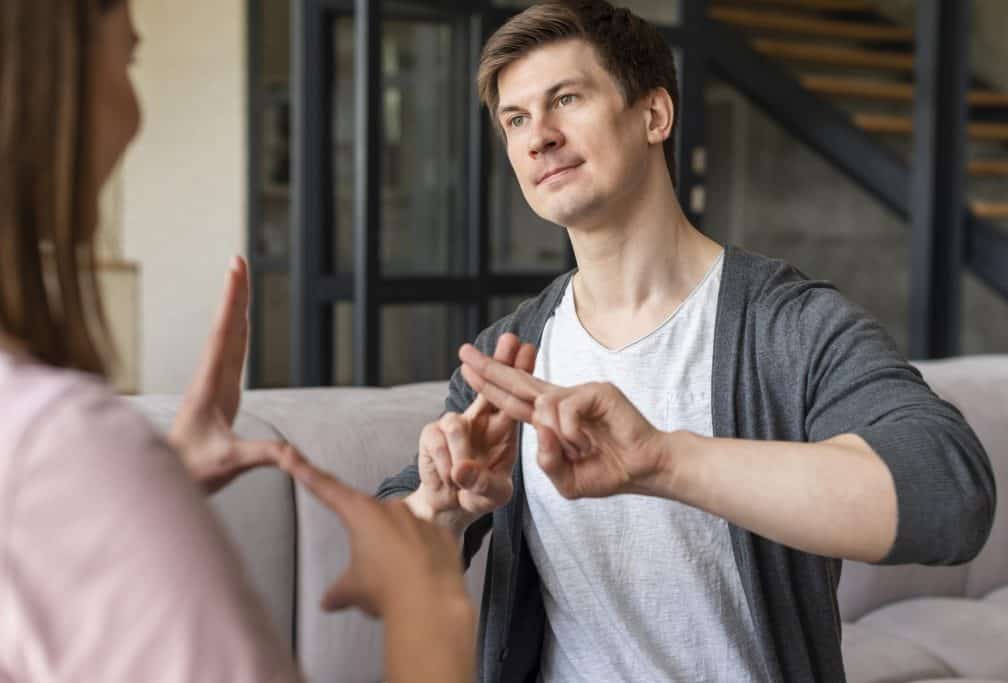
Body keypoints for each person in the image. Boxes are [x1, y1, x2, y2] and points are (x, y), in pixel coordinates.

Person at [378, 1, 997, 681]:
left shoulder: (786, 326)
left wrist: (665, 462)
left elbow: (949, 493)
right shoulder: (511, 352)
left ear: (654, 116)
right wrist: (439, 508)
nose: (538, 137)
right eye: (515, 119)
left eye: (568, 99)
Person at [0, 1, 474, 681]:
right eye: (127, 59)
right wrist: (429, 596)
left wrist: (156, 480)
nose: (135, 117)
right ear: (43, 83)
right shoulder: (54, 452)